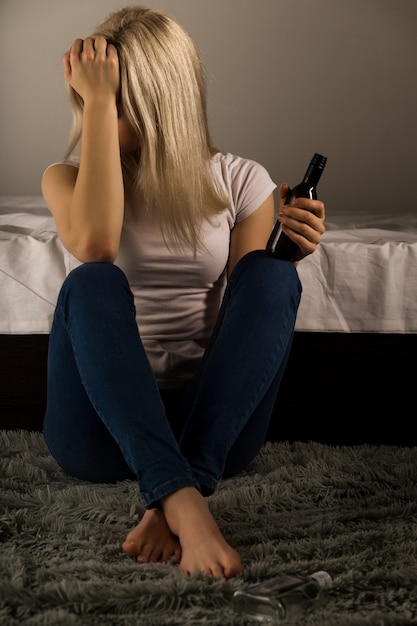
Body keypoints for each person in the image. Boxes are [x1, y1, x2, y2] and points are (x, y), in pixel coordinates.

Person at [41, 5, 325, 579]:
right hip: (98, 433)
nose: (90, 109)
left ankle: (175, 485)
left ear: (154, 101)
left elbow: (249, 311)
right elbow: (96, 244)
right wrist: (97, 104)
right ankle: (189, 505)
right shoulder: (66, 178)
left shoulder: (240, 180)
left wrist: (287, 249)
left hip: (208, 426)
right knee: (91, 282)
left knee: (273, 275)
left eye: (112, 99)